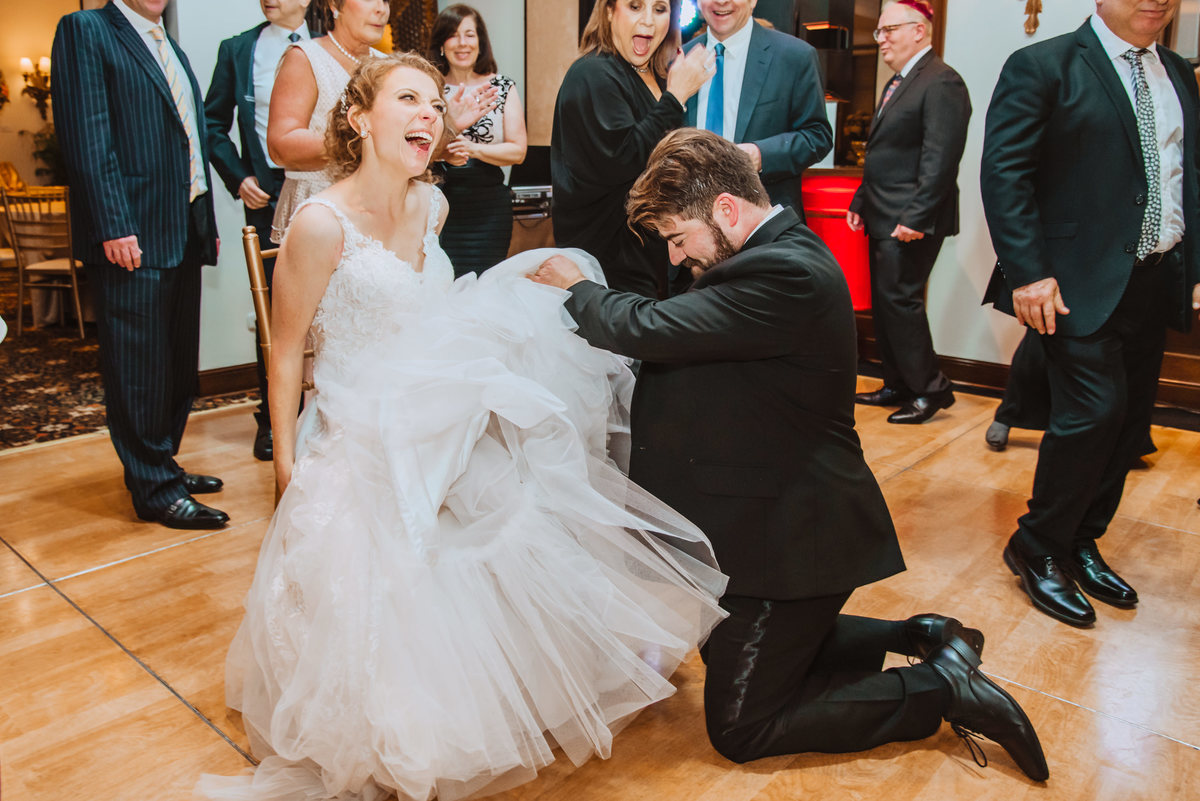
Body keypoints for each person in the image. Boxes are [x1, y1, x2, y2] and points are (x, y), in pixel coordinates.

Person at [197, 54, 726, 801]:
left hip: (438, 406)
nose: (426, 115)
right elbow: (285, 355)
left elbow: (433, 311)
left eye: (433, 105)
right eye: (405, 99)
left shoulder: (432, 206)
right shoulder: (320, 223)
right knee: (390, 558)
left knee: (515, 495)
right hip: (359, 424)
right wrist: (287, 467)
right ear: (359, 118)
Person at [533, 128, 1048, 781]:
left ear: (725, 209)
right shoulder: (769, 252)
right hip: (772, 515)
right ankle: (922, 637)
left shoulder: (785, 271)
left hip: (794, 536)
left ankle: (942, 692)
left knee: (743, 724)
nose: (677, 255)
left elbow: (650, 328)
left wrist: (578, 288)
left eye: (677, 236)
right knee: (730, 656)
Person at [981, 0, 1200, 627]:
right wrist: (1028, 274)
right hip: (1071, 284)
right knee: (1093, 415)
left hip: (1155, 280)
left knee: (1129, 425)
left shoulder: (1177, 72)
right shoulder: (1044, 65)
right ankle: (1037, 543)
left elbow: (1184, 176)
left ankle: (1080, 539)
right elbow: (1005, 174)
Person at [51, 0, 226, 530]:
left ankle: (161, 463)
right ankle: (154, 490)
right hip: (133, 230)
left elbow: (188, 138)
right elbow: (86, 136)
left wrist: (206, 220)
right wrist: (112, 224)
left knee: (174, 363)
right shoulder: (86, 29)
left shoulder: (164, 39)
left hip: (184, 225)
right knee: (139, 370)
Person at [847, 0, 970, 425]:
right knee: (886, 305)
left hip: (911, 219)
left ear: (919, 30)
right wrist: (862, 200)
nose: (881, 39)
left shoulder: (941, 82)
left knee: (901, 303)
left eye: (888, 30)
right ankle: (897, 383)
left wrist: (917, 217)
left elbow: (940, 158)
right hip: (884, 213)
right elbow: (886, 152)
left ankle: (930, 389)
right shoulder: (898, 82)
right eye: (880, 32)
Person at [205, 0, 313, 462]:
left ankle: (325, 412)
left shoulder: (330, 45)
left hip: (327, 187)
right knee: (275, 308)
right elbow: (212, 124)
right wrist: (239, 177)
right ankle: (274, 421)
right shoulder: (238, 49)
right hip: (268, 194)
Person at [551, 0, 714, 297]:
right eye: (635, 6)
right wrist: (676, 98)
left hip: (652, 253)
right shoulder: (593, 73)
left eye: (660, 9)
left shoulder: (655, 76)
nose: (649, 21)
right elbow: (623, 158)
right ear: (610, 11)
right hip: (608, 260)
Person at [685, 0, 832, 217]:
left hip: (765, 223)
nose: (722, 1)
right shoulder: (679, 58)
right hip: (693, 220)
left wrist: (760, 155)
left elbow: (817, 136)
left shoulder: (795, 56)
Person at [266, 0, 389, 243]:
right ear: (335, 5)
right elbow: (281, 147)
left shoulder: (389, 66)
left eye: (385, 0)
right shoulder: (306, 58)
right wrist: (360, 139)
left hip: (378, 209)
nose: (381, 9)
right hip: (320, 212)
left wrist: (448, 125)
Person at [428, 4, 527, 277]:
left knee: (485, 283)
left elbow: (518, 152)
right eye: (453, 35)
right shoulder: (428, 88)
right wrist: (443, 153)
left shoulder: (502, 87)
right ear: (441, 44)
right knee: (441, 280)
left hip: (488, 207)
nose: (462, 43)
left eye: (470, 35)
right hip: (438, 202)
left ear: (480, 42)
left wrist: (473, 149)